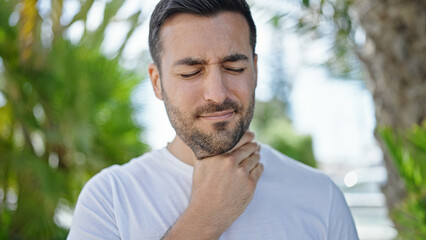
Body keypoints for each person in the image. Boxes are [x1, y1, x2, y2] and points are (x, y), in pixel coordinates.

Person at [68, 0, 359, 239]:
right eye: (191, 72)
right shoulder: (110, 200)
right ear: (157, 83)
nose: (217, 94)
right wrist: (205, 218)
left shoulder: (322, 198)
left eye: (234, 67)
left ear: (255, 70)